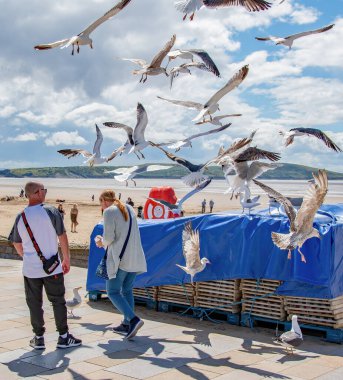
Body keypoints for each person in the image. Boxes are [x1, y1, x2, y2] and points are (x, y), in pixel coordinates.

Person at [8, 181, 81, 350]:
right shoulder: (50, 211)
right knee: (57, 301)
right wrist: (66, 259)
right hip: (52, 267)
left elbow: (16, 243)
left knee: (34, 303)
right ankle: (63, 337)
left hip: (30, 269)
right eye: (44, 190)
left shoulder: (21, 216)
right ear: (38, 193)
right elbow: (62, 236)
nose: (45, 193)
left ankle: (38, 338)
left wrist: (28, 258)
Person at [96, 190, 147, 340]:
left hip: (120, 259)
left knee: (112, 291)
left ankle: (133, 319)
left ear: (103, 201)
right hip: (135, 257)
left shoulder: (109, 212)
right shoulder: (128, 208)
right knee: (127, 290)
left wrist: (100, 242)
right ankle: (126, 324)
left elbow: (109, 238)